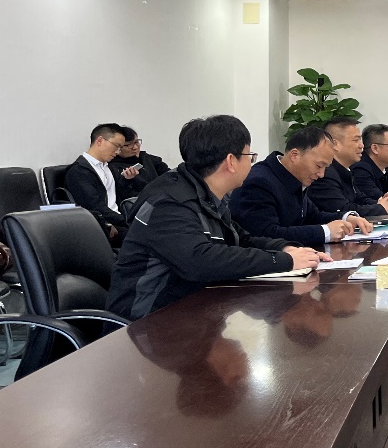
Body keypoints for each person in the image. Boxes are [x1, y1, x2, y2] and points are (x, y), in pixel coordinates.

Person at [107, 115, 325, 320]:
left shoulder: (206, 194)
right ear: (231, 161)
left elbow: (240, 239)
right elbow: (199, 260)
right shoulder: (170, 202)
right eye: (249, 156)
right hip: (144, 324)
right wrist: (284, 261)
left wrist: (286, 248)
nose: (252, 163)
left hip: (190, 310)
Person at [229, 126, 369, 247]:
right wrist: (325, 232)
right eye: (319, 166)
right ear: (294, 155)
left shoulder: (293, 176)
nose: (321, 174)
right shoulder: (259, 182)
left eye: (325, 167)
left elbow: (312, 216)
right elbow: (266, 234)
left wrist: (345, 218)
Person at [311, 117, 388, 218]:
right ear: (335, 144)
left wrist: (383, 203)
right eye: (356, 140)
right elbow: (343, 210)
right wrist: (380, 208)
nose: (361, 145)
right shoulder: (325, 174)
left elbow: (359, 199)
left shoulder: (346, 170)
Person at [65, 123, 130, 245]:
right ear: (100, 140)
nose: (118, 152)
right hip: (105, 226)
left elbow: (117, 198)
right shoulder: (79, 171)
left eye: (120, 148)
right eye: (116, 146)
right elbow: (94, 207)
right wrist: (127, 220)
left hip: (119, 221)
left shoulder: (109, 167)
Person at [109, 126, 171, 199]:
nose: (135, 147)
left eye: (136, 142)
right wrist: (126, 181)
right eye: (128, 145)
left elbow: (169, 175)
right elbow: (124, 196)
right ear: (118, 147)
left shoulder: (149, 159)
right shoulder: (113, 167)